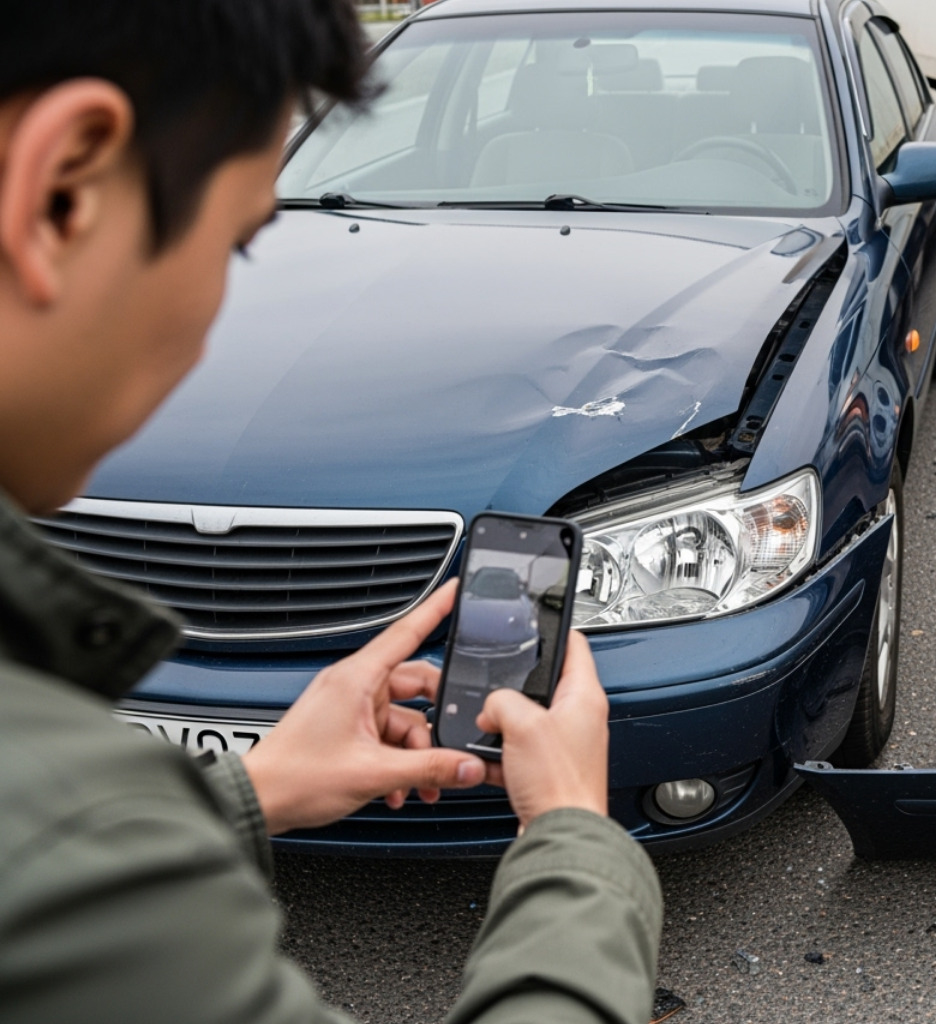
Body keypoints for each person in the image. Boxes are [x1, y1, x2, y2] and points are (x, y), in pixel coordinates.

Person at [0, 3, 661, 1022]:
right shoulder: (74, 830)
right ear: (62, 189)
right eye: (235, 244)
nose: (214, 321)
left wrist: (252, 792)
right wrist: (574, 836)